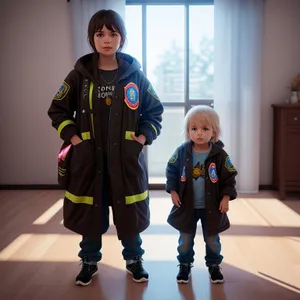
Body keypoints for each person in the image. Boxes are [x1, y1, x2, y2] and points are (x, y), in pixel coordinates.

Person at [48, 9, 163, 286]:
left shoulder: (136, 76)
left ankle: (134, 260)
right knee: (90, 215)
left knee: (130, 217)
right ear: (92, 38)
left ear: (122, 38)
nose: (107, 40)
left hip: (125, 162)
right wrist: (77, 140)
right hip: (90, 162)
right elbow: (58, 111)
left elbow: (154, 112)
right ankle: (89, 262)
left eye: (113, 34)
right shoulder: (79, 76)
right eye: (100, 34)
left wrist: (141, 140)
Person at [165, 105, 237, 284]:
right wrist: (173, 191)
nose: (199, 133)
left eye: (205, 129)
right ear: (188, 130)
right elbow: (171, 170)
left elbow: (229, 177)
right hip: (186, 205)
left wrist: (226, 197)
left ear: (214, 131)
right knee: (185, 240)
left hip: (212, 206)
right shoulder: (182, 151)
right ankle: (184, 264)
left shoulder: (219, 154)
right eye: (194, 128)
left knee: (212, 240)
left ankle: (213, 265)